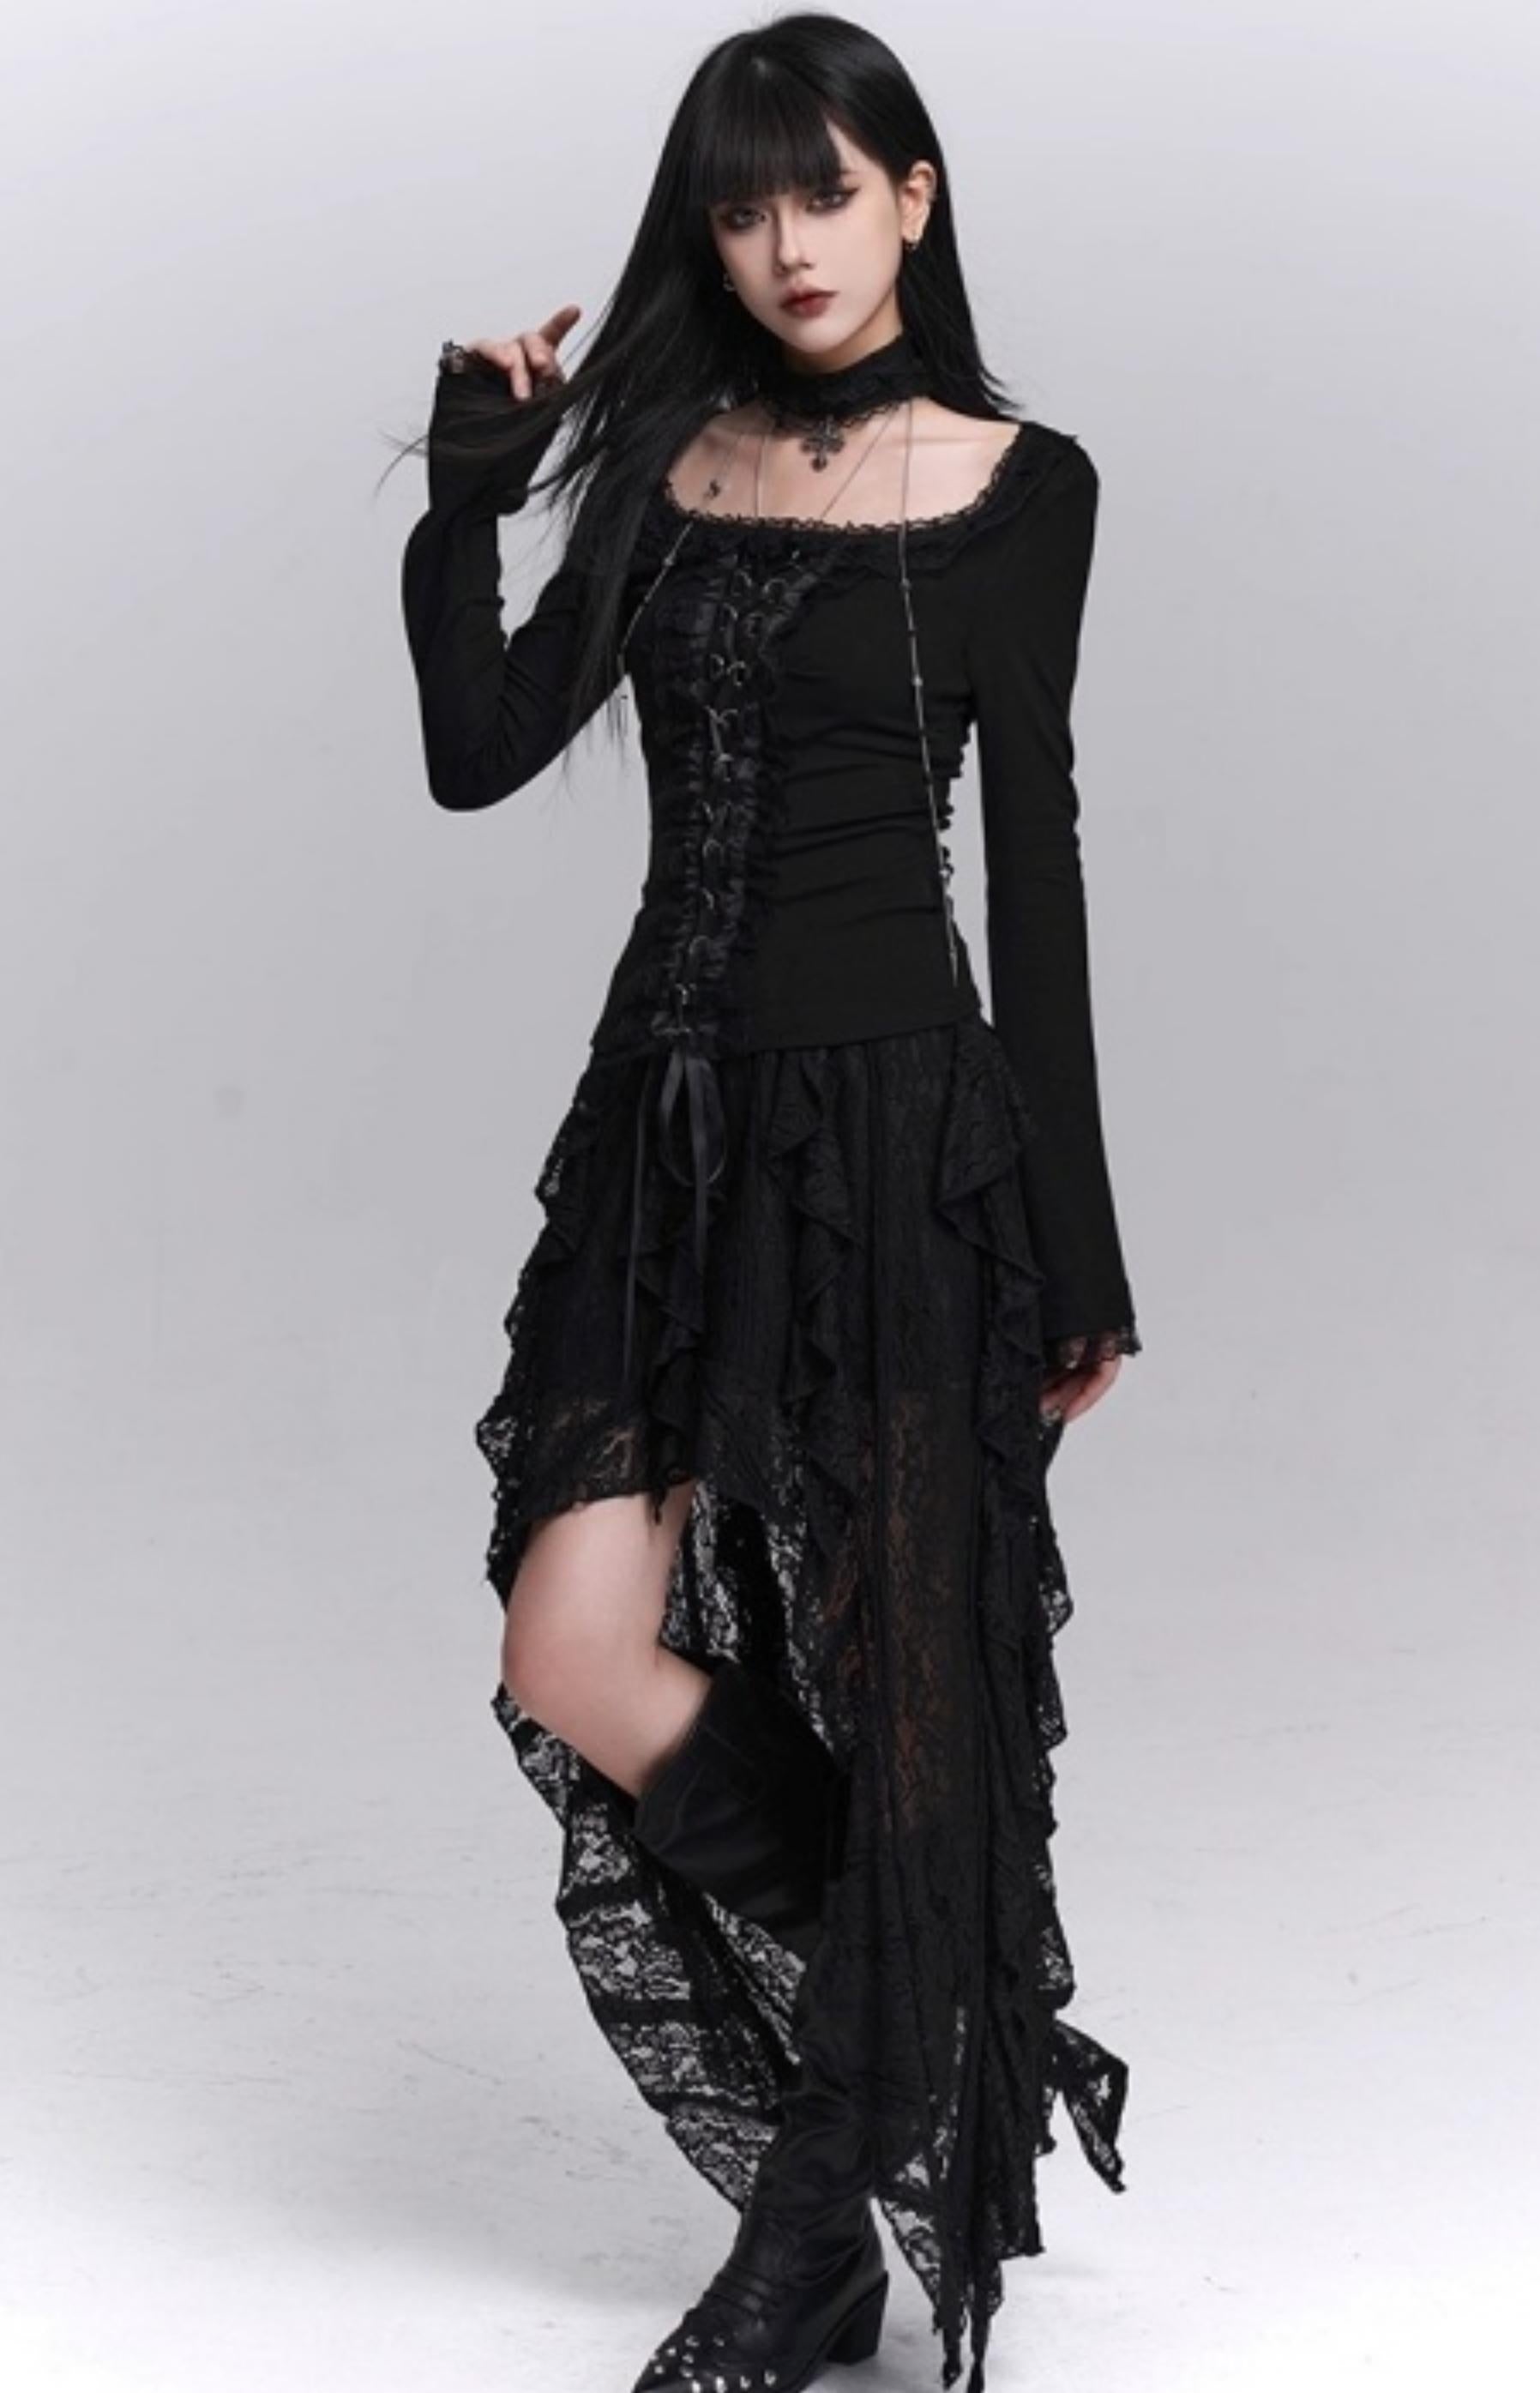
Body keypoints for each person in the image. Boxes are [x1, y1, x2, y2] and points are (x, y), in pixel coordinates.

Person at [396, 15, 1141, 2391]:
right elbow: (479, 753)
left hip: (901, 1138)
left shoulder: (1023, 489)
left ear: (914, 195)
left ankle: (807, 2238)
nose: (786, 243)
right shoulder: (665, 462)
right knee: (571, 1645)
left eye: (824, 190)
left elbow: (1034, 869)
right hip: (667, 1130)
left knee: (912, 1696)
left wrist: (1079, 1247)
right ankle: (932, 1980)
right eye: (739, 208)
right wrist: (470, 497)